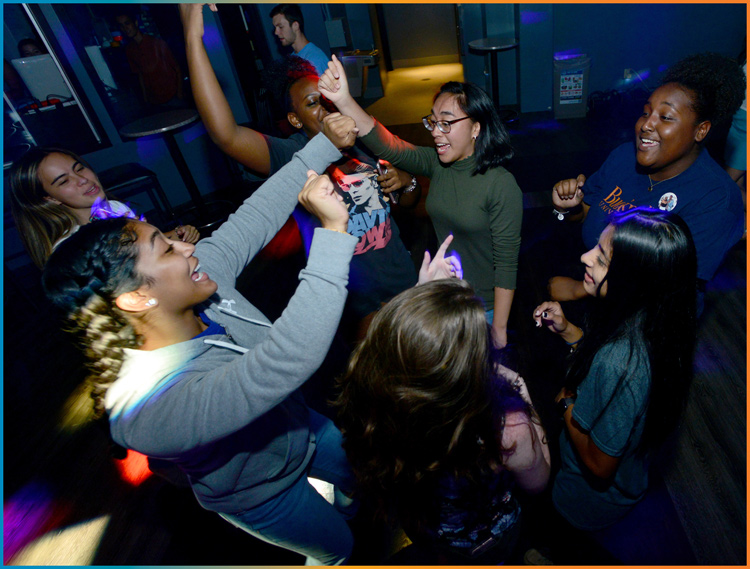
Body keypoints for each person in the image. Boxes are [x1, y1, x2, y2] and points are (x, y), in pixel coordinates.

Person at [42, 133, 358, 565]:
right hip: (261, 495)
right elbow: (285, 361)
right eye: (166, 248)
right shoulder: (146, 412)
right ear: (136, 298)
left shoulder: (200, 277)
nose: (187, 247)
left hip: (305, 429)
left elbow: (257, 213)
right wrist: (334, 232)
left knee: (362, 488)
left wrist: (324, 145)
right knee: (339, 548)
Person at [180, 3, 419, 340]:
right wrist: (193, 37)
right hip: (355, 306)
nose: (323, 109)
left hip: (406, 284)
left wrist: (406, 183)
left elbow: (407, 204)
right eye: (311, 105)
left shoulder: (362, 139)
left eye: (325, 99)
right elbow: (226, 134)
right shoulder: (293, 155)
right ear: (295, 120)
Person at [335, 279, 550, 563]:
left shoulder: (375, 393)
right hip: (489, 536)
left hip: (427, 527)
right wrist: (521, 392)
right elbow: (538, 481)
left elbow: (404, 351)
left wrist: (421, 308)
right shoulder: (507, 428)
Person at [319, 54, 522, 348]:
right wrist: (344, 100)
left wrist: (499, 328)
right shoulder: (437, 164)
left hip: (483, 308)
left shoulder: (501, 185)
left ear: (476, 128)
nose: (436, 133)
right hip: (446, 295)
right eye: (434, 122)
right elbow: (387, 143)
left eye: (447, 124)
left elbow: (507, 263)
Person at [532, 207, 697, 532]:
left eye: (603, 259)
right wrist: (568, 331)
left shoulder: (621, 361)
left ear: (634, 279)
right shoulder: (653, 321)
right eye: (597, 246)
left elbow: (600, 464)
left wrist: (566, 402)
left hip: (584, 502)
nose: (585, 257)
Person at [549, 52, 745, 303]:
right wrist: (568, 208)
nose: (646, 125)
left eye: (665, 117)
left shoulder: (717, 199)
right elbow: (588, 215)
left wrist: (580, 290)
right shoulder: (623, 157)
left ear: (701, 130)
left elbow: (670, 287)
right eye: (646, 112)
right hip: (596, 298)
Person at [9, 147, 199, 269]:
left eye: (79, 168)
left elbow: (142, 247)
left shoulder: (114, 207)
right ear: (49, 199)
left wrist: (176, 235)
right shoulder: (72, 250)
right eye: (64, 181)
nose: (82, 180)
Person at [116, 12, 184, 107]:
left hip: (172, 97)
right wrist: (146, 99)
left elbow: (177, 68)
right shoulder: (130, 50)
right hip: (154, 102)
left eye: (127, 23)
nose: (125, 28)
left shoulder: (156, 43)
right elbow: (140, 76)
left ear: (135, 23)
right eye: (122, 26)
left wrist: (179, 93)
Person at [270, 3, 329, 76]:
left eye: (280, 27)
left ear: (295, 26)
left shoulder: (315, 60)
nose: (276, 32)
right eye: (275, 28)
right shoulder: (293, 58)